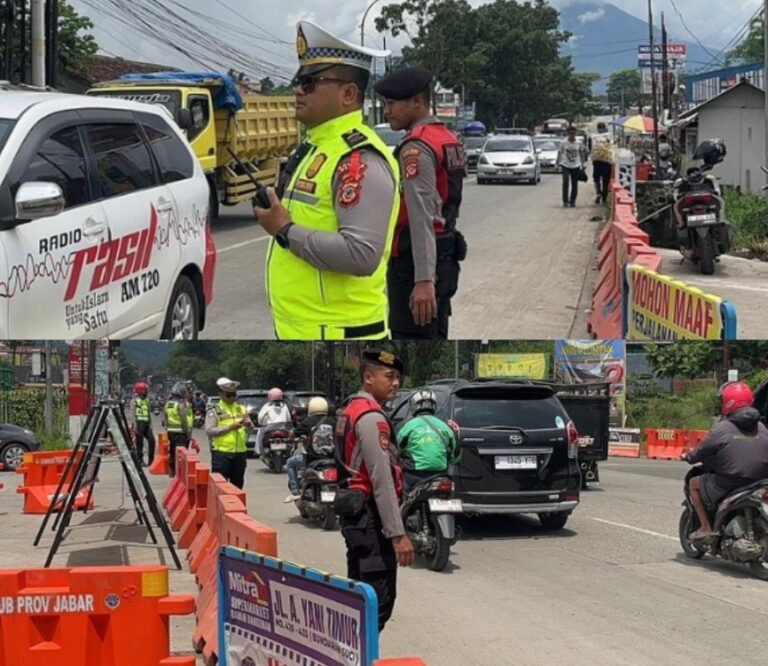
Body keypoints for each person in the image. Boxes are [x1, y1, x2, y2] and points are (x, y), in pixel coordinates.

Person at [254, 21, 401, 340]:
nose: (296, 90)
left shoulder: (358, 158)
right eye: (297, 80)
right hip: (306, 326)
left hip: (338, 330)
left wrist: (285, 230)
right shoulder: (317, 146)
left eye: (308, 82)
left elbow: (362, 254)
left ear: (348, 94)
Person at [374, 66, 468, 340]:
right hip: (445, 252)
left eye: (391, 103)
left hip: (416, 261)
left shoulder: (417, 147)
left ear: (417, 101)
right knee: (435, 332)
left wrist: (423, 280)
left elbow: (421, 216)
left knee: (412, 336)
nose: (386, 110)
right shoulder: (448, 139)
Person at [335, 349, 414, 632]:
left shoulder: (349, 410)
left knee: (359, 598)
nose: (395, 384)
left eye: (398, 378)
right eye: (389, 377)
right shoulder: (371, 417)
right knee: (377, 605)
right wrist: (397, 534)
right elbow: (381, 480)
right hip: (370, 518)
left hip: (355, 515)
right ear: (368, 377)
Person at [682, 381, 768, 541]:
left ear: (728, 402)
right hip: (760, 481)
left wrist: (688, 457)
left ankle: (706, 528)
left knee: (694, 483)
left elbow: (700, 452)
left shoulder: (722, 428)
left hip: (729, 482)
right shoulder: (762, 427)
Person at [395, 389, 461, 490]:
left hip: (413, 476)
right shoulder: (445, 426)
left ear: (414, 406)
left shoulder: (407, 426)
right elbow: (455, 454)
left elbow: (396, 450)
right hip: (440, 474)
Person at [284, 396, 336, 502]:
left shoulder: (307, 422)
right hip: (332, 459)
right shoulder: (334, 421)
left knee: (290, 463)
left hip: (313, 459)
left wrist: (293, 439)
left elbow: (293, 435)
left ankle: (296, 491)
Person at [205, 377, 253, 489]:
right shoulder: (215, 410)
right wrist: (229, 428)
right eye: (228, 395)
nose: (231, 398)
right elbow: (209, 431)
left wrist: (249, 425)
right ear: (221, 394)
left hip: (240, 453)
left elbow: (250, 429)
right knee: (220, 487)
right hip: (222, 454)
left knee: (237, 486)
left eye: (234, 395)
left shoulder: (241, 409)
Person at [163, 382, 191, 477]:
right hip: (180, 432)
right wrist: (187, 432)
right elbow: (184, 419)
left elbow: (165, 417)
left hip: (171, 431)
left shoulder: (168, 404)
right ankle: (180, 472)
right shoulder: (180, 405)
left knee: (172, 451)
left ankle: (172, 470)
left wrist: (167, 428)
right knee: (181, 453)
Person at [256, 388, 292, 456]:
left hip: (269, 427)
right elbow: (288, 418)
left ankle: (260, 452)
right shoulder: (284, 406)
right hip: (282, 427)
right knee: (290, 438)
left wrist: (260, 423)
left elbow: (260, 416)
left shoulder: (267, 406)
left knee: (259, 435)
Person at [557, 126, 585, 208]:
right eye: (570, 133)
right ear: (568, 134)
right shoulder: (564, 143)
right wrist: (557, 163)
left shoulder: (579, 143)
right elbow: (560, 153)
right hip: (565, 165)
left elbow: (581, 153)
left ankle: (573, 201)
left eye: (573, 133)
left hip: (575, 165)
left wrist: (582, 164)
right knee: (565, 182)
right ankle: (565, 201)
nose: (572, 135)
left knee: (574, 183)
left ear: (575, 134)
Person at [588, 121, 614, 205]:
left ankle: (598, 193)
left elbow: (590, 149)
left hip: (597, 161)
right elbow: (612, 147)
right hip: (607, 162)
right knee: (605, 181)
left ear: (598, 129)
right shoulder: (609, 137)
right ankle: (604, 198)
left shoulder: (593, 137)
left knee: (596, 179)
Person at [131, 381, 155, 467]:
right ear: (141, 391)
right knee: (139, 443)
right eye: (145, 389)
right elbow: (133, 413)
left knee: (152, 441)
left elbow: (149, 413)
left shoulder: (147, 400)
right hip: (139, 423)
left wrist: (151, 424)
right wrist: (134, 425)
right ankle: (139, 460)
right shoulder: (135, 401)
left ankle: (151, 460)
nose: (146, 391)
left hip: (146, 423)